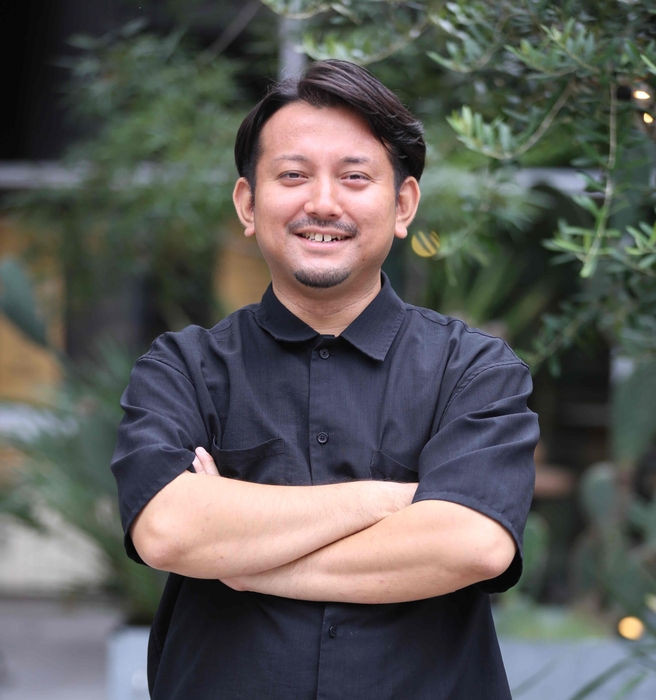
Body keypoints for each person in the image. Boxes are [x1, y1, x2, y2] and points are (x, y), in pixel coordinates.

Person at [111, 59, 538, 700]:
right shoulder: (183, 369)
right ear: (248, 203)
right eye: (293, 175)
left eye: (354, 176)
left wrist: (243, 558)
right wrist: (390, 501)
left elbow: (472, 545)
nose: (323, 203)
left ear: (403, 204)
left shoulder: (475, 371)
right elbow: (169, 531)